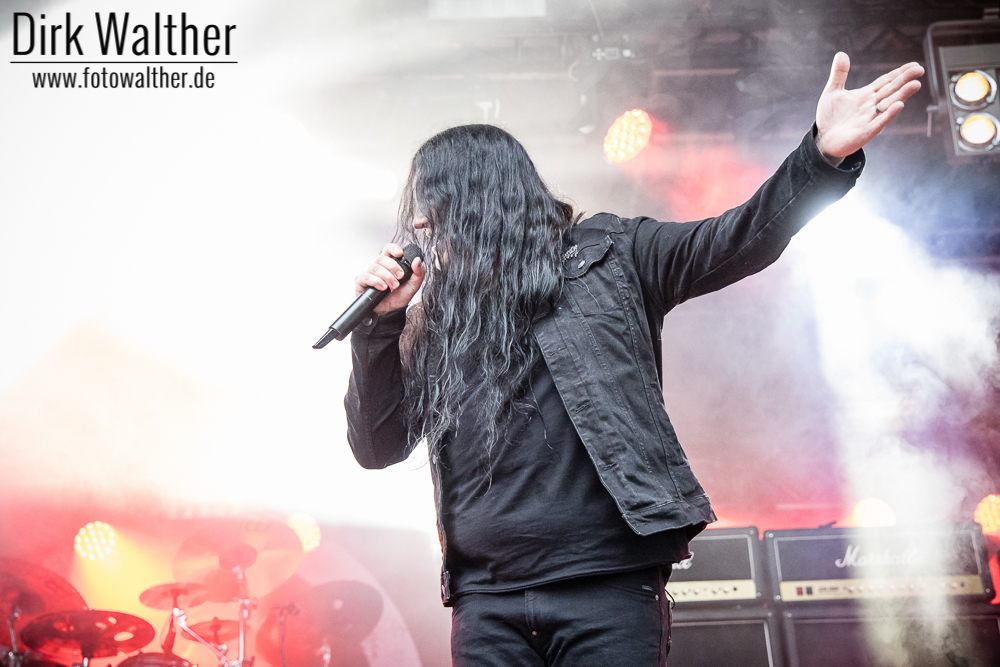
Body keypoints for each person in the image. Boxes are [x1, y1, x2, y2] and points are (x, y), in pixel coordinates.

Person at [342, 53, 924, 666]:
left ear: (480, 201)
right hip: (485, 601)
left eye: (431, 203)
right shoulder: (437, 323)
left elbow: (737, 238)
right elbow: (376, 448)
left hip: (606, 589)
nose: (419, 222)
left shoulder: (612, 257)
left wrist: (820, 158)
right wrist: (377, 329)